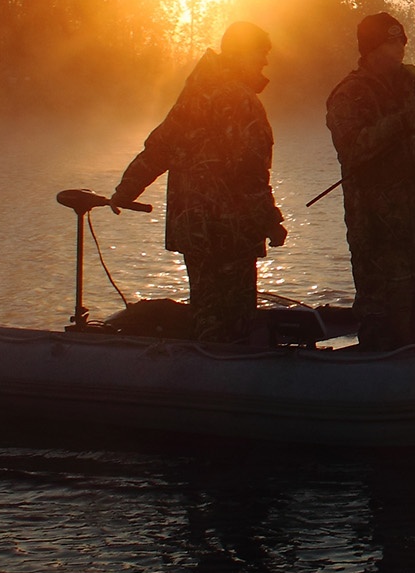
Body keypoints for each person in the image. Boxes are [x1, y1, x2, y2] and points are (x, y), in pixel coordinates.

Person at [109, 20, 287, 344]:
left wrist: (126, 189)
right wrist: (270, 222)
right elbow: (249, 173)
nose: (264, 62)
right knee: (235, 318)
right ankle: (228, 379)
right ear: (242, 54)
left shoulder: (195, 93)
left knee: (207, 311)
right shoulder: (240, 100)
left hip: (193, 229)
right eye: (260, 54)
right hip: (228, 231)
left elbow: (159, 147)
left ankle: (203, 365)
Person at [326, 12, 415, 351]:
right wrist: (403, 122)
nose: (399, 49)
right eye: (390, 42)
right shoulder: (349, 95)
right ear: (370, 49)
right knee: (387, 322)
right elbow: (354, 148)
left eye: (401, 41)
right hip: (380, 236)